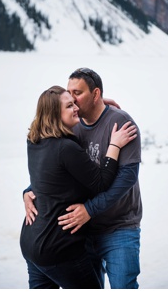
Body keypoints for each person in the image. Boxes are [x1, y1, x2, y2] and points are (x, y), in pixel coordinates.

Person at [24, 68, 143, 289]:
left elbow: (127, 177)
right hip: (80, 233)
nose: (73, 101)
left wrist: (90, 209)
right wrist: (29, 191)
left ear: (95, 94)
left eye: (77, 93)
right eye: (69, 96)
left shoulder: (120, 122)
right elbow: (54, 170)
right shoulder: (71, 127)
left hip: (118, 228)